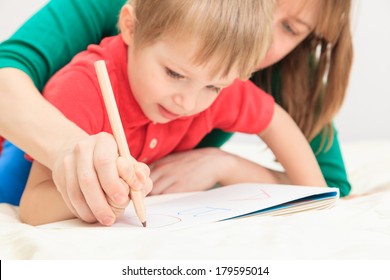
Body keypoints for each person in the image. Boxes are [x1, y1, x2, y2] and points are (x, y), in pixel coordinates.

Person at [0, 0, 352, 223]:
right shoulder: (83, 87)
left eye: (214, 86)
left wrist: (228, 165)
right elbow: (33, 206)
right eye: (173, 74)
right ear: (130, 27)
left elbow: (276, 121)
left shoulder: (210, 78)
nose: (188, 103)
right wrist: (112, 192)